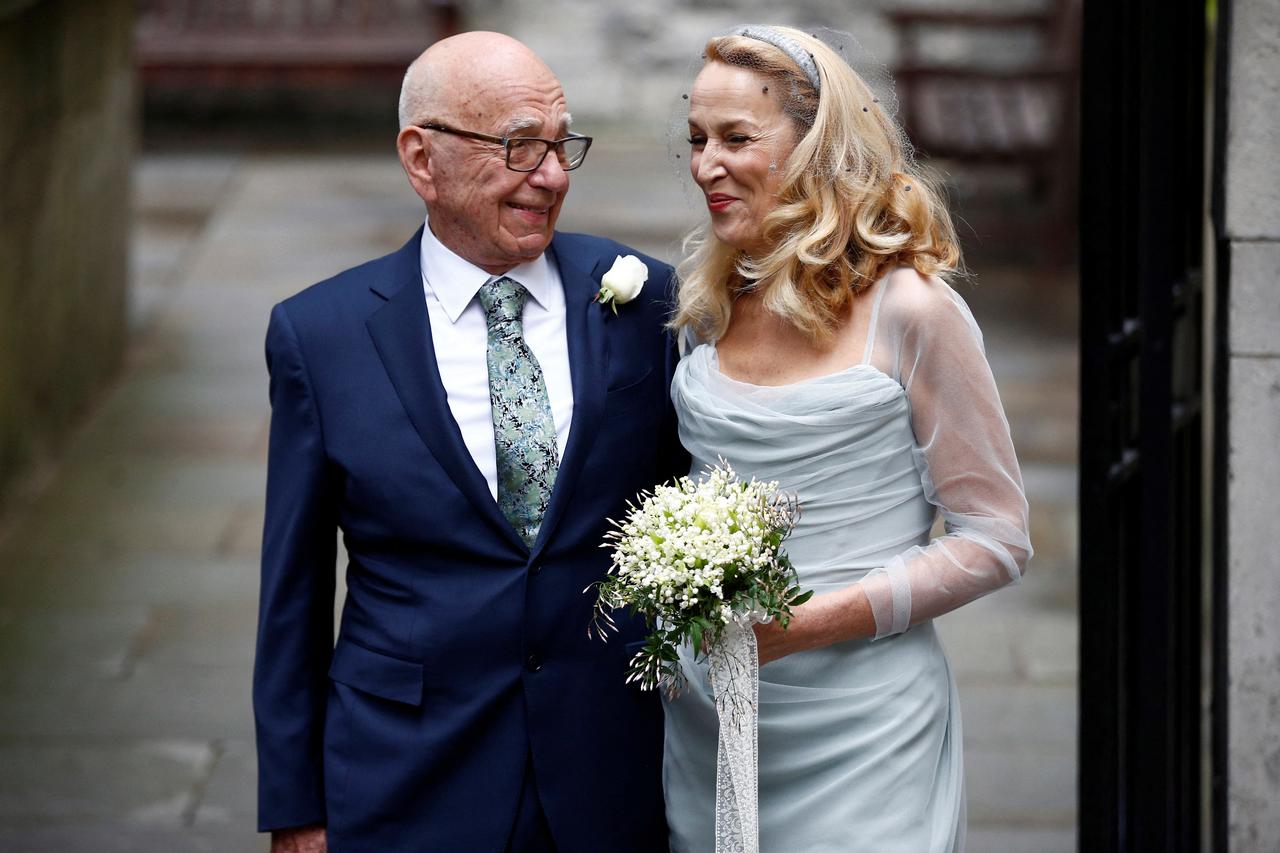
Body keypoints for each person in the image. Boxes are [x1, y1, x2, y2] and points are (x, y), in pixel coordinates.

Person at [253, 31, 685, 853]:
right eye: (521, 147)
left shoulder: (641, 300)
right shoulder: (322, 334)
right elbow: (293, 594)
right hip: (406, 774)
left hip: (609, 769)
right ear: (422, 159)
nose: (552, 176)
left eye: (563, 147)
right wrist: (295, 805)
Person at [662, 26, 1033, 851]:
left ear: (815, 145)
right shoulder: (710, 307)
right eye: (696, 139)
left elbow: (999, 537)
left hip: (868, 733)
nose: (704, 166)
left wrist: (815, 621)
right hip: (714, 719)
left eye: (735, 139)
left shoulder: (914, 311)